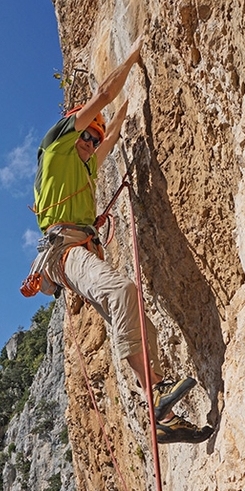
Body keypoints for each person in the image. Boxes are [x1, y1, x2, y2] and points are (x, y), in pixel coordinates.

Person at [26, 36, 213, 444]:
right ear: (72, 133)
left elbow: (112, 132)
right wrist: (137, 48)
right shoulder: (56, 151)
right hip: (64, 252)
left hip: (75, 248)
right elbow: (103, 94)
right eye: (86, 137)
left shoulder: (86, 162)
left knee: (138, 318)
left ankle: (162, 412)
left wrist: (131, 102)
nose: (92, 144)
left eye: (94, 140)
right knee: (122, 289)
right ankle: (155, 398)